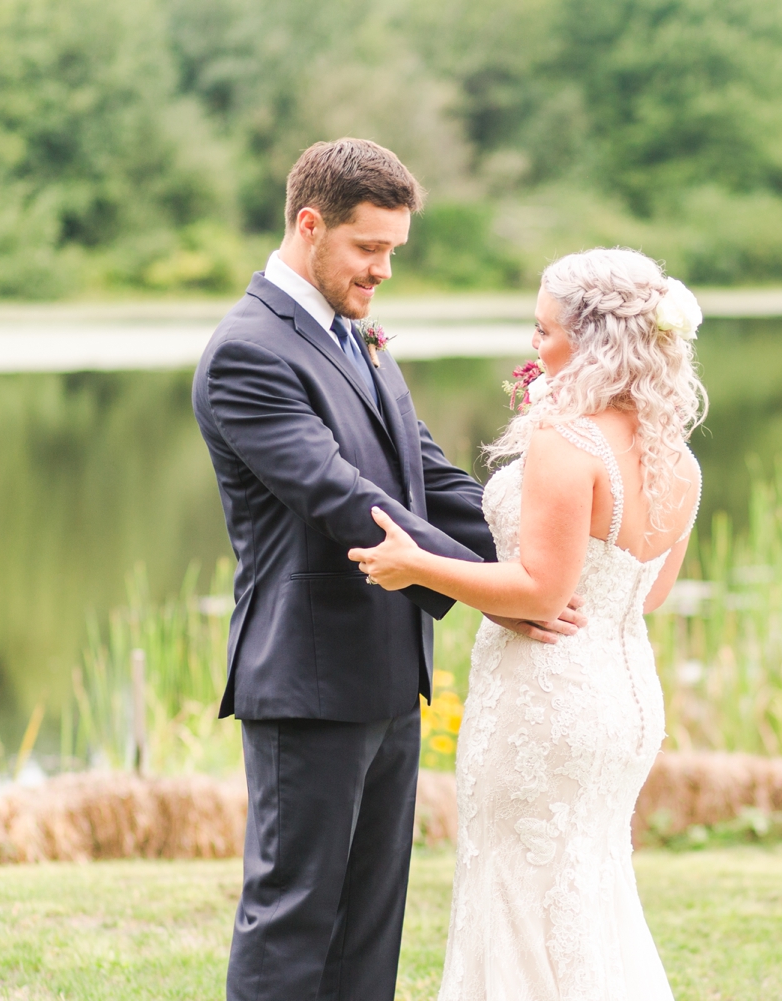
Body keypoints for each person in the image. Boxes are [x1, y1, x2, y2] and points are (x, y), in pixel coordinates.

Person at [192, 137, 584, 1001]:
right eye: (369, 248)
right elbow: (346, 502)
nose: (383, 272)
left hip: (386, 671)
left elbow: (427, 473)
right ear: (309, 223)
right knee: (294, 914)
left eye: (393, 252)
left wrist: (525, 563)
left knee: (370, 926)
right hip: (307, 675)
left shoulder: (355, 333)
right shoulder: (249, 352)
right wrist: (494, 596)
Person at [349, 247, 707, 1000]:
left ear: (592, 341)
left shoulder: (567, 442)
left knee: (516, 887)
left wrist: (415, 564)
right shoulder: (674, 458)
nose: (534, 347)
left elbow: (541, 593)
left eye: (543, 330)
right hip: (624, 700)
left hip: (543, 701)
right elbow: (646, 594)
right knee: (591, 888)